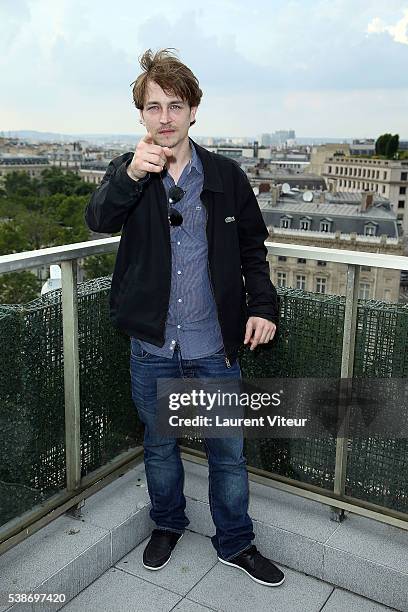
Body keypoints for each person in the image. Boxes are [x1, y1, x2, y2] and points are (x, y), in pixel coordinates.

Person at [85, 48, 285, 587]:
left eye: (176, 105)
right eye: (154, 108)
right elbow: (98, 220)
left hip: (212, 346)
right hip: (152, 347)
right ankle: (167, 525)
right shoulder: (129, 173)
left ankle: (236, 542)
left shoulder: (225, 176)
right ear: (142, 116)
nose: (166, 118)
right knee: (159, 446)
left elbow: (252, 252)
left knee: (227, 455)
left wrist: (263, 307)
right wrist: (130, 174)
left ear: (194, 110)